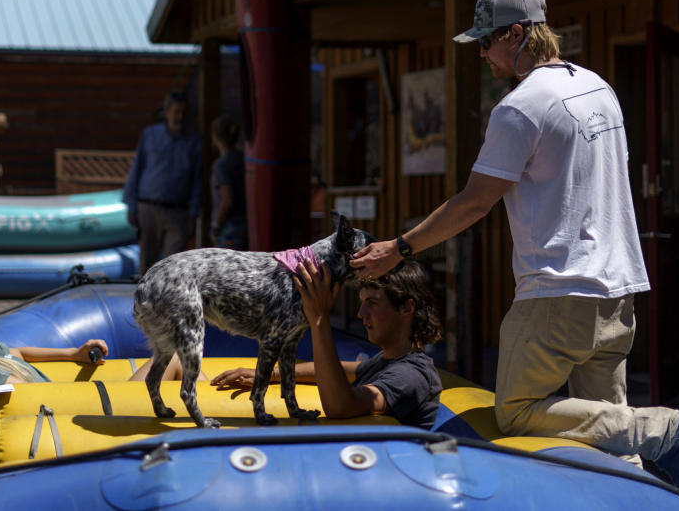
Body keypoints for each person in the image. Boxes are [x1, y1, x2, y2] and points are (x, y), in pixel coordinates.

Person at [349, 0, 679, 500]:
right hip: (618, 290)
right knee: (607, 438)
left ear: (517, 34)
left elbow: (475, 202)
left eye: (487, 41)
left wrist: (399, 248)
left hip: (556, 291)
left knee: (515, 413)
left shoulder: (519, 108)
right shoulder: (600, 88)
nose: (483, 54)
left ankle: (665, 429)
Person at [0, 323, 196, 454]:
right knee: (174, 353)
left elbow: (20, 354)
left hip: (85, 411)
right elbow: (23, 397)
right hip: (87, 416)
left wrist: (74, 354)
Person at [210, 261, 443, 429]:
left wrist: (319, 319)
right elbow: (341, 370)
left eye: (371, 303)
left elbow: (341, 407)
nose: (361, 313)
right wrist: (272, 375)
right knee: (179, 363)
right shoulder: (388, 361)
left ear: (406, 309)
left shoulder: (411, 375)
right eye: (362, 302)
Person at [123, 91, 203, 270]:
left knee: (173, 266)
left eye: (183, 112)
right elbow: (136, 169)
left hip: (178, 211)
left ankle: (167, 299)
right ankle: (145, 298)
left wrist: (193, 213)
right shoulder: (150, 135)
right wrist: (131, 205)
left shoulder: (194, 142)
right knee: (147, 263)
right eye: (176, 112)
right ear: (166, 112)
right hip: (148, 208)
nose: (179, 117)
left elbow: (197, 181)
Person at [209, 115, 247, 250]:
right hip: (245, 226)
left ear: (215, 137)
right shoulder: (243, 159)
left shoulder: (221, 165)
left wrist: (216, 225)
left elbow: (227, 200)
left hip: (229, 228)